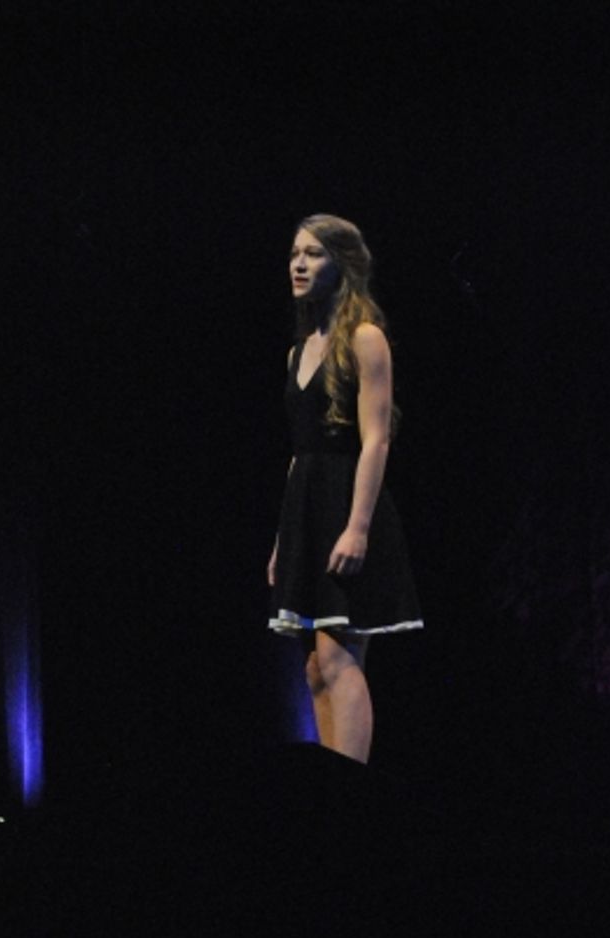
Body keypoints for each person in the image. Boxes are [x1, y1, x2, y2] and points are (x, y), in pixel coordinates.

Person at [267, 213, 423, 764]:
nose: (299, 264)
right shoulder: (299, 349)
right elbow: (299, 451)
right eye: (294, 254)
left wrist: (358, 527)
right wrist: (284, 543)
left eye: (313, 254)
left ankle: (353, 796)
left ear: (343, 265)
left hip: (349, 503)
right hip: (307, 509)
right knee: (314, 667)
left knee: (341, 658)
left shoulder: (366, 338)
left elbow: (376, 439)